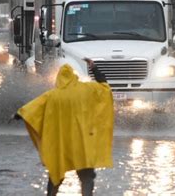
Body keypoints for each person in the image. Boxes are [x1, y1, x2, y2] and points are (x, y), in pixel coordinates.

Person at [15, 59, 114, 196]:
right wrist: (94, 69)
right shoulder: (87, 90)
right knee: (86, 176)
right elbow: (104, 87)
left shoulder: (52, 95)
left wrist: (17, 115)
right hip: (82, 144)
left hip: (62, 144)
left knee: (56, 174)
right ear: (74, 76)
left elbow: (30, 110)